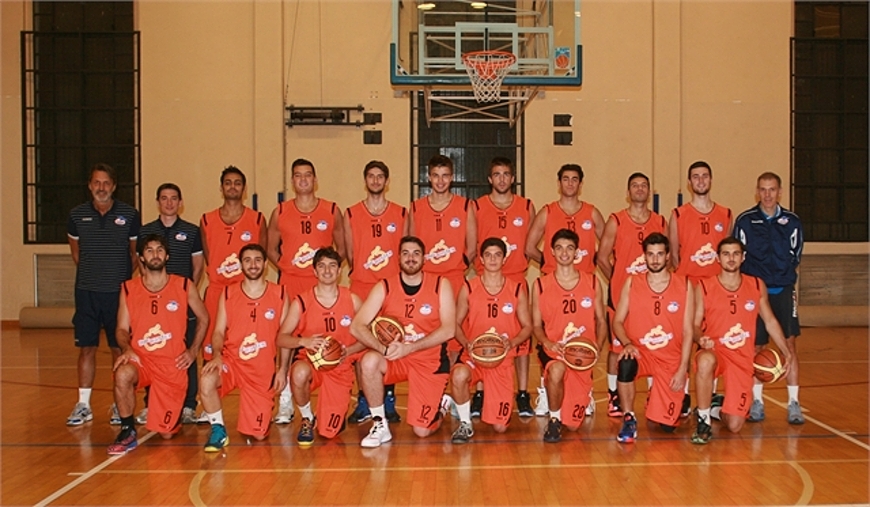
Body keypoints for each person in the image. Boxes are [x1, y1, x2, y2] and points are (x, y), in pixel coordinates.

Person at [349, 236, 456, 448]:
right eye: (405, 253)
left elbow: (449, 329)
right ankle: (380, 424)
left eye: (416, 253)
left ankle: (441, 405)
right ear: (398, 258)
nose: (411, 258)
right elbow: (357, 326)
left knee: (422, 431)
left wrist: (410, 347)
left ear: (424, 258)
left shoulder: (440, 285)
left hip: (430, 360)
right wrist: (383, 348)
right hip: (397, 356)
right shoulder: (385, 286)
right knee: (369, 361)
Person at [107, 234, 209, 454]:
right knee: (122, 373)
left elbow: (204, 318)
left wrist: (193, 351)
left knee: (167, 433)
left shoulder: (183, 285)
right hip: (141, 360)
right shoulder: (129, 288)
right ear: (141, 258)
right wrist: (127, 348)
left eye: (160, 249)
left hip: (172, 365)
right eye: (149, 250)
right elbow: (121, 329)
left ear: (167, 255)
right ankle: (127, 430)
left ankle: (167, 413)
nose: (155, 254)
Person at [691, 237, 794, 444]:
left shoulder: (756, 285)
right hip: (716, 351)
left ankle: (715, 408)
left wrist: (786, 351)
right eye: (726, 254)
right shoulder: (704, 286)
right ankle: (703, 421)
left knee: (735, 425)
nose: (731, 258)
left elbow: (770, 321)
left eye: (736, 254)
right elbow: (694, 324)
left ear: (743, 257)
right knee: (705, 361)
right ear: (718, 258)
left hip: (742, 358)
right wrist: (701, 338)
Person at [267, 158, 346, 425]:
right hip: (291, 281)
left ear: (315, 179)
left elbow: (342, 248)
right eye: (298, 175)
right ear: (292, 181)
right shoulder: (280, 212)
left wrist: (328, 272)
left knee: (326, 336)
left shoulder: (331, 210)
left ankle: (329, 389)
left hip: (320, 283)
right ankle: (285, 399)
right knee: (287, 339)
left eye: (308, 175)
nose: (303, 179)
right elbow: (270, 247)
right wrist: (286, 267)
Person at [525, 164, 604, 417]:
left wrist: (592, 266)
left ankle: (585, 391)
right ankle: (546, 389)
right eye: (566, 179)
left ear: (581, 183)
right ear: (559, 183)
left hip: (584, 286)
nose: (570, 183)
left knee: (584, 339)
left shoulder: (592, 213)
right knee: (551, 339)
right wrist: (550, 264)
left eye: (574, 179)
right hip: (553, 285)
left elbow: (606, 248)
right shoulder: (547, 212)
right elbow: (529, 247)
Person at [67, 163, 141, 426]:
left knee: (118, 348)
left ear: (114, 186)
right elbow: (76, 253)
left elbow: (135, 254)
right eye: (97, 183)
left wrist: (118, 278)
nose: (101, 187)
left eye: (106, 182)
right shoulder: (77, 215)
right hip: (87, 292)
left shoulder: (129, 215)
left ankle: (119, 405)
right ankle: (83, 405)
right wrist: (95, 274)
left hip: (118, 295)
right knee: (86, 348)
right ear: (90, 185)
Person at [198, 245, 290, 451]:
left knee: (258, 435)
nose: (253, 265)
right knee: (207, 379)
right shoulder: (228, 293)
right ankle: (218, 429)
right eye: (247, 260)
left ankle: (256, 413)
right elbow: (218, 332)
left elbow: (285, 338)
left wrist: (283, 369)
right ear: (241, 265)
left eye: (258, 260)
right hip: (233, 363)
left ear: (265, 265)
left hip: (261, 370)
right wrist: (217, 356)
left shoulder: (280, 293)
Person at [732, 172, 804, 424]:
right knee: (756, 348)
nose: (767, 194)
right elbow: (738, 256)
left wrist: (781, 276)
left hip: (783, 291)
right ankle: (757, 402)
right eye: (763, 189)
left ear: (780, 192)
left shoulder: (792, 222)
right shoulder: (745, 221)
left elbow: (796, 255)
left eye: (772, 189)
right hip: (754, 293)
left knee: (789, 345)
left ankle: (794, 403)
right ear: (757, 192)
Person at [446, 237, 533, 443]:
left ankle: (492, 408)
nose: (493, 259)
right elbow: (455, 323)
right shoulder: (469, 287)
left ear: (504, 259)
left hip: (501, 359)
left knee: (500, 427)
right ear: (481, 260)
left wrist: (512, 342)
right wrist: (466, 342)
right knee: (458, 374)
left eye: (497, 255)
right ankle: (465, 423)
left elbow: (528, 326)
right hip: (474, 357)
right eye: (488, 255)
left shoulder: (516, 289)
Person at [276, 247, 365, 445]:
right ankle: (307, 418)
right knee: (298, 372)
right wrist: (303, 341)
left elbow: (369, 336)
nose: (327, 270)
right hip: (312, 362)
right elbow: (281, 338)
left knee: (328, 433)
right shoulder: (301, 302)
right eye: (322, 266)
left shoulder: (352, 299)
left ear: (339, 271)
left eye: (332, 266)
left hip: (340, 366)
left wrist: (349, 351)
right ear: (314, 271)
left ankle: (332, 415)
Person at [596, 173, 668, 419]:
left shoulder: (659, 221)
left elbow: (666, 258)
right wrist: (621, 280)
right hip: (621, 297)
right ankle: (614, 395)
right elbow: (602, 257)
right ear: (628, 192)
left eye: (644, 186)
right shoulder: (616, 220)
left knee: (653, 344)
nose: (639, 189)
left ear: (649, 191)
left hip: (651, 298)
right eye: (635, 186)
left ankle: (653, 395)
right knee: (617, 349)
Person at [611, 233, 694, 443]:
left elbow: (688, 331)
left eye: (659, 254)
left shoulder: (684, 284)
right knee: (626, 362)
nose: (655, 259)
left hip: (670, 359)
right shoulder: (632, 283)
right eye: (650, 254)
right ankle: (629, 417)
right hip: (642, 354)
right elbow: (617, 321)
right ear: (644, 256)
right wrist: (627, 343)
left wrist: (683, 368)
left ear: (667, 256)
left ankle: (662, 399)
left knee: (667, 427)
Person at [343, 160, 408, 425]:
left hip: (390, 289)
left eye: (380, 176)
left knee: (389, 340)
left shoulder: (401, 214)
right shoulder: (351, 213)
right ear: (365, 180)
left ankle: (388, 398)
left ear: (387, 181)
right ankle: (364, 400)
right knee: (360, 345)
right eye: (371, 176)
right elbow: (350, 254)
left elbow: (405, 251)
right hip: (361, 286)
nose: (376, 180)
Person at [472, 157, 536, 418]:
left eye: (506, 174)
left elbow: (531, 245)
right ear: (490, 179)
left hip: (515, 278)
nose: (501, 179)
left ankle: (522, 393)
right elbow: (471, 244)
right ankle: (479, 392)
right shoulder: (477, 206)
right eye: (497, 174)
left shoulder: (526, 206)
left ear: (513, 178)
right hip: (485, 281)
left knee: (522, 340)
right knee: (481, 335)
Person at [668, 160, 732, 416]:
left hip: (715, 290)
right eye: (696, 176)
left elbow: (728, 252)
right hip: (688, 287)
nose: (701, 180)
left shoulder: (725, 214)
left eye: (705, 176)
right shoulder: (678, 214)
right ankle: (682, 395)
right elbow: (674, 256)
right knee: (684, 340)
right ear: (689, 182)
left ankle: (710, 398)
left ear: (711, 180)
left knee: (712, 342)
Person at [531, 229, 607, 443]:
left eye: (569, 248)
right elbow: (536, 325)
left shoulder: (592, 282)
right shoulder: (540, 285)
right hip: (555, 351)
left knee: (573, 426)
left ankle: (581, 397)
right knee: (556, 370)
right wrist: (547, 342)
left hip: (581, 355)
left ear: (577, 253)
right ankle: (554, 419)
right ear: (552, 252)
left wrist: (598, 346)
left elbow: (602, 321)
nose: (564, 253)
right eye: (559, 248)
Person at [136, 183, 204, 425]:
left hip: (181, 304)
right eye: (164, 198)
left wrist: (184, 295)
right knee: (152, 349)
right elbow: (142, 264)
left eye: (173, 198)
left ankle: (188, 406)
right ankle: (151, 404)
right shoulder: (145, 231)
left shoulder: (192, 231)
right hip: (154, 305)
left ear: (180, 202)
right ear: (158, 202)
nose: (169, 203)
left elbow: (198, 266)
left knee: (187, 351)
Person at [200, 166, 267, 361]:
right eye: (228, 183)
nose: (232, 187)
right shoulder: (206, 220)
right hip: (217, 290)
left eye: (237, 183)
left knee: (247, 346)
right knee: (212, 348)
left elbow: (261, 257)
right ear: (221, 188)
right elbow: (209, 256)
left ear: (244, 189)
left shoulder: (257, 219)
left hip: (245, 292)